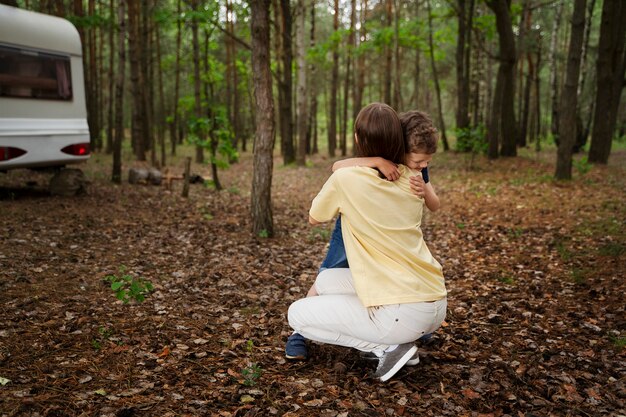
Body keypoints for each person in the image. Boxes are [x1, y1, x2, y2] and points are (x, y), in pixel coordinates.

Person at [286, 103, 447, 382]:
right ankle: (403, 335)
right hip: (435, 298)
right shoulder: (413, 177)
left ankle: (389, 345)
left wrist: (365, 164)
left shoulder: (347, 178)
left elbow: (315, 216)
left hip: (405, 310)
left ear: (358, 140)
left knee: (296, 313)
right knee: (327, 281)